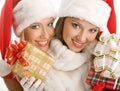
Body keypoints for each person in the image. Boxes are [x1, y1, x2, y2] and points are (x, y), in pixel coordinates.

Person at [34, 0, 110, 91]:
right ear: (62, 21)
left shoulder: (103, 63)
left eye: (92, 30)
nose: (82, 38)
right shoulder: (35, 58)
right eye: (76, 25)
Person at [0, 0, 56, 91]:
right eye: (35, 26)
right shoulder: (12, 71)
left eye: (49, 24)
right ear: (22, 31)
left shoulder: (67, 50)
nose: (45, 35)